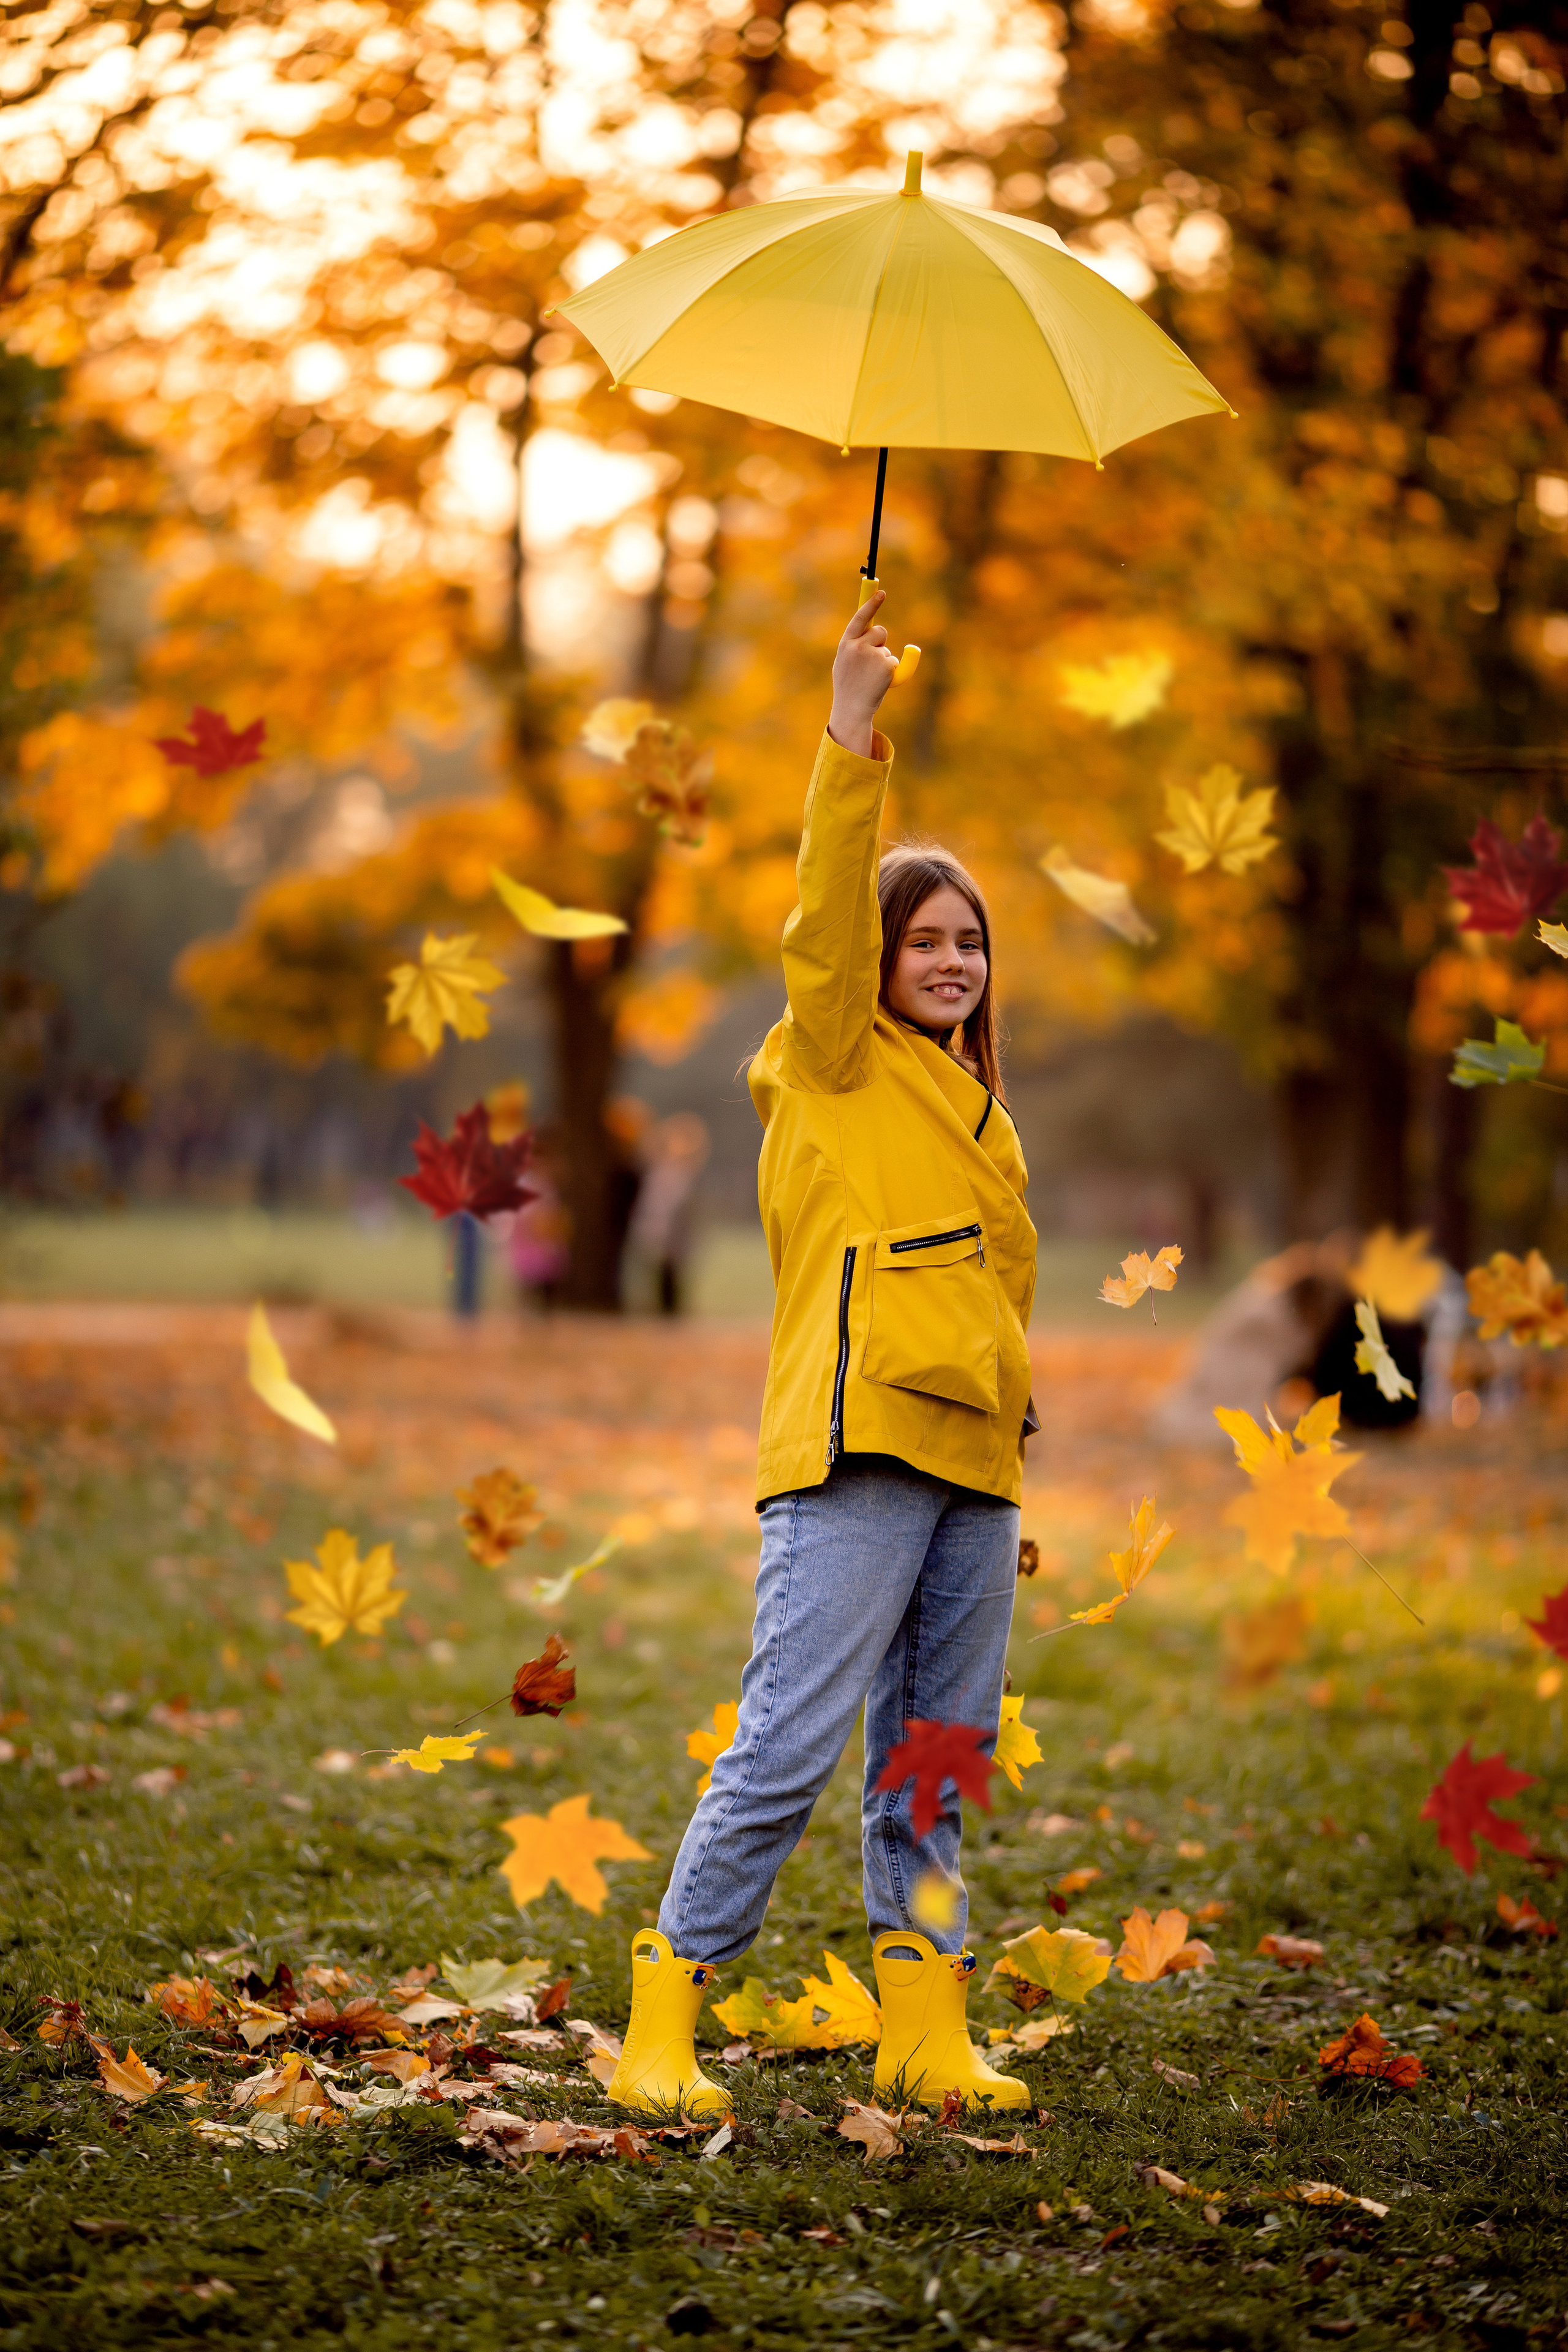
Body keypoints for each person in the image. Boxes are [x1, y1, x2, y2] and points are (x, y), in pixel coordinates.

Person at [605, 590, 1038, 2121]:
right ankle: (665, 2014)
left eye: (969, 940)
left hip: (973, 1468)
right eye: (923, 937)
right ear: (870, 958)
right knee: (786, 1744)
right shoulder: (829, 1057)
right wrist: (850, 727)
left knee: (933, 1756)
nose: (951, 958)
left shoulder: (978, 1117)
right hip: (856, 1450)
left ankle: (921, 2023)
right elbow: (817, 909)